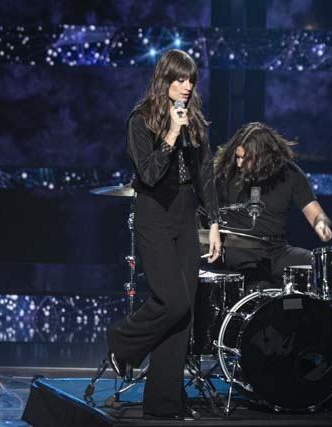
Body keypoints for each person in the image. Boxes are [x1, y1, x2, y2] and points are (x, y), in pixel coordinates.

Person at [107, 49, 221, 419]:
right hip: (154, 214)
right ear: (164, 80)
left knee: (184, 311)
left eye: (191, 80)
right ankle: (121, 341)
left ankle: (163, 403)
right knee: (171, 300)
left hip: (186, 215)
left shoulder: (196, 120)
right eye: (180, 79)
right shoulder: (140, 122)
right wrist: (171, 133)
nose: (186, 87)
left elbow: (205, 175)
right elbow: (150, 176)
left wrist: (214, 223)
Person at [213, 122, 332, 289]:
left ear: (263, 157)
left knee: (323, 264)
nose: (239, 163)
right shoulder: (227, 173)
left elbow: (315, 213)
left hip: (277, 252)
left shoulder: (289, 173)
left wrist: (322, 225)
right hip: (240, 254)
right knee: (261, 289)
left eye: (245, 158)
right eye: (237, 157)